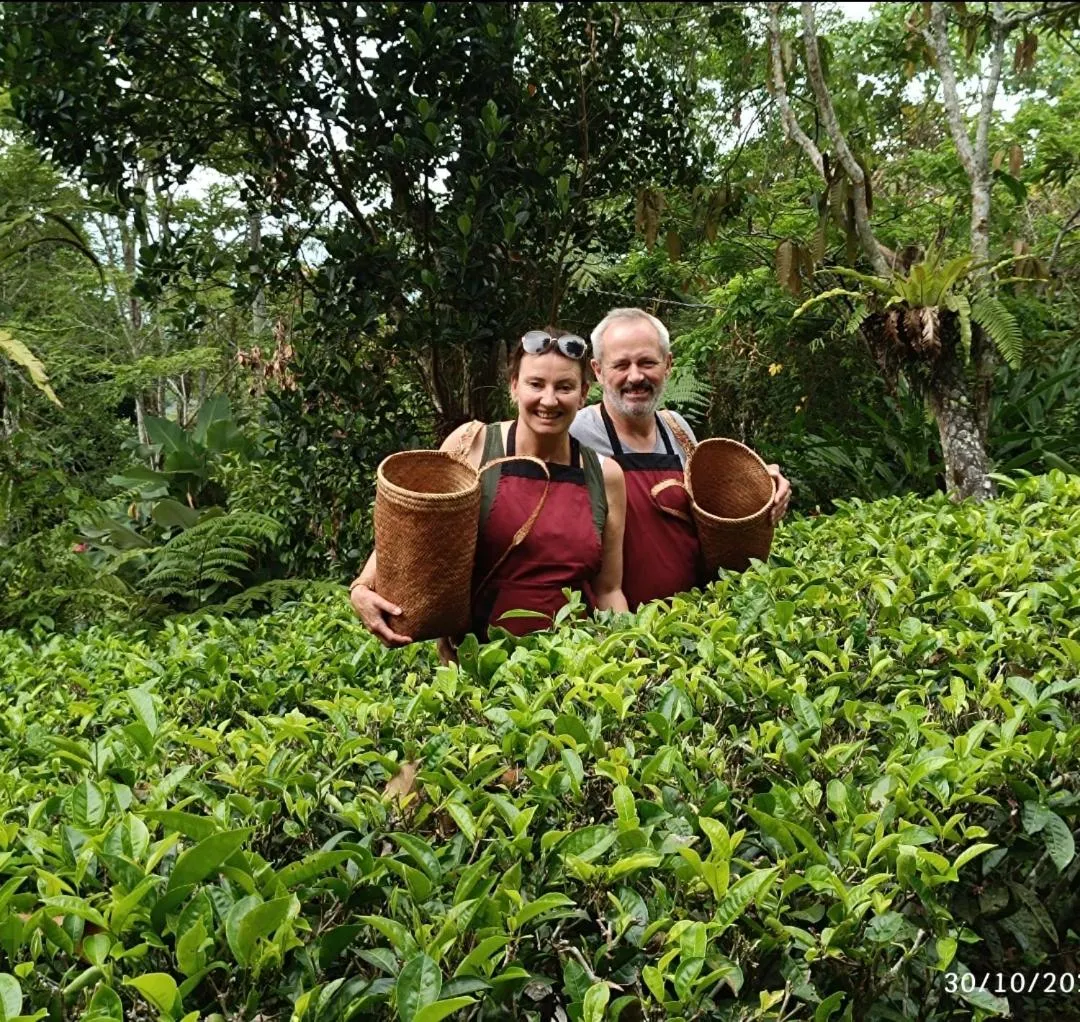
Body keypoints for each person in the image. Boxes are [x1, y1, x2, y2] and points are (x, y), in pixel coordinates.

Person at [350, 328, 629, 646]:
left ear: (583, 393)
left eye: (564, 387)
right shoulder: (473, 446)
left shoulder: (605, 475)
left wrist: (629, 655)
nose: (549, 400)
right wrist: (361, 587)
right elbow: (410, 533)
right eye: (535, 384)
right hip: (479, 671)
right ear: (514, 387)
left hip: (575, 673)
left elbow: (609, 590)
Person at [569, 307, 792, 610]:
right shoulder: (577, 433)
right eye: (620, 365)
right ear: (597, 370)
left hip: (695, 619)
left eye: (647, 362)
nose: (635, 376)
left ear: (668, 364)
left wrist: (763, 484)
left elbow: (711, 503)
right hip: (622, 630)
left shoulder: (677, 428)